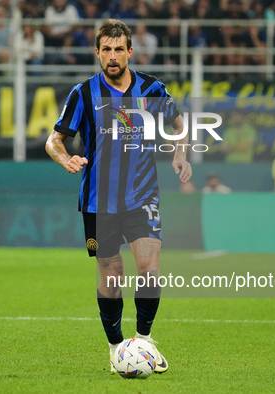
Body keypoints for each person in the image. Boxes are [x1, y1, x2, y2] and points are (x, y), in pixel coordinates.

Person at [45, 19, 191, 375]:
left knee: (149, 270)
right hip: (98, 203)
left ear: (129, 51)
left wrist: (180, 153)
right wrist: (66, 159)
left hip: (142, 197)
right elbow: (54, 140)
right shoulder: (83, 94)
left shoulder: (151, 88)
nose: (112, 56)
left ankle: (143, 341)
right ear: (97, 53)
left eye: (118, 49)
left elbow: (179, 123)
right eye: (105, 50)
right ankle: (116, 349)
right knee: (111, 279)